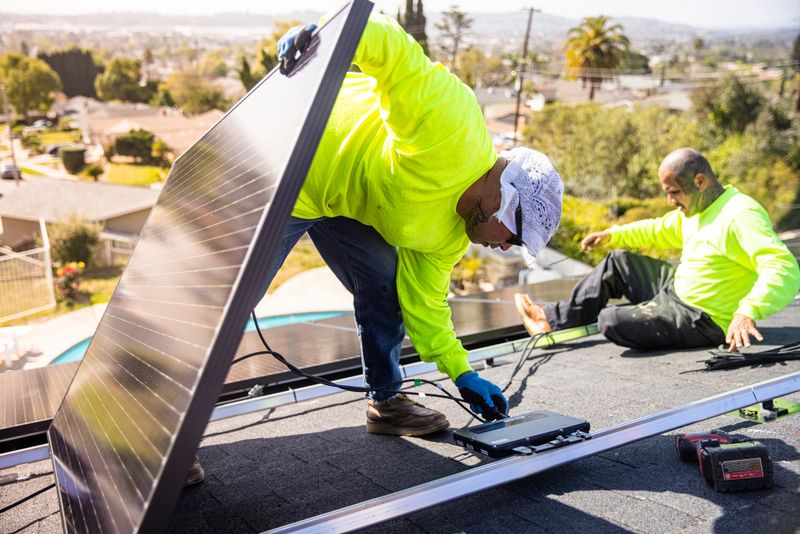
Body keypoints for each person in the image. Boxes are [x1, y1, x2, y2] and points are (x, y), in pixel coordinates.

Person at [270, 14, 562, 434]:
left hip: (341, 200)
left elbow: (425, 305)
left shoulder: (448, 239)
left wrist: (464, 374)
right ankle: (167, 441)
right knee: (232, 297)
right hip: (292, 159)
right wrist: (326, 38)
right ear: (502, 200)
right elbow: (394, 52)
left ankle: (385, 403)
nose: (505, 248)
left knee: (386, 283)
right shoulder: (453, 127)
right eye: (513, 237)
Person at [516, 147, 800, 354]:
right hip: (675, 287)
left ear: (700, 181)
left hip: (702, 317)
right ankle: (551, 320)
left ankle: (649, 313)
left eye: (674, 192)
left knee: (610, 320)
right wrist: (612, 235)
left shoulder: (740, 214)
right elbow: (659, 229)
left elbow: (782, 267)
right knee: (617, 263)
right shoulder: (698, 209)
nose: (669, 200)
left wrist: (748, 310)